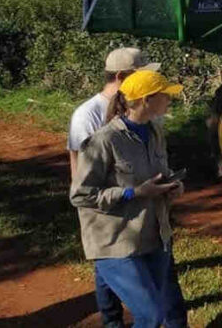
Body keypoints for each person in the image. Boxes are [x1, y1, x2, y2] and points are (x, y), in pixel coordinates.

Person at [70, 70, 189, 328]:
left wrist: (171, 186)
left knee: (157, 312)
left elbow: (160, 173)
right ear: (146, 100)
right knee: (151, 316)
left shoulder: (155, 132)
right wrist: (132, 193)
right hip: (115, 242)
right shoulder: (104, 141)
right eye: (165, 95)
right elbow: (80, 194)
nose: (170, 99)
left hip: (153, 236)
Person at [68, 47, 160, 328]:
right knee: (109, 271)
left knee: (108, 276)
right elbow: (81, 171)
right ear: (121, 77)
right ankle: (111, 321)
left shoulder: (145, 114)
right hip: (107, 217)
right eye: (141, 75)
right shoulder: (87, 116)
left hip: (135, 219)